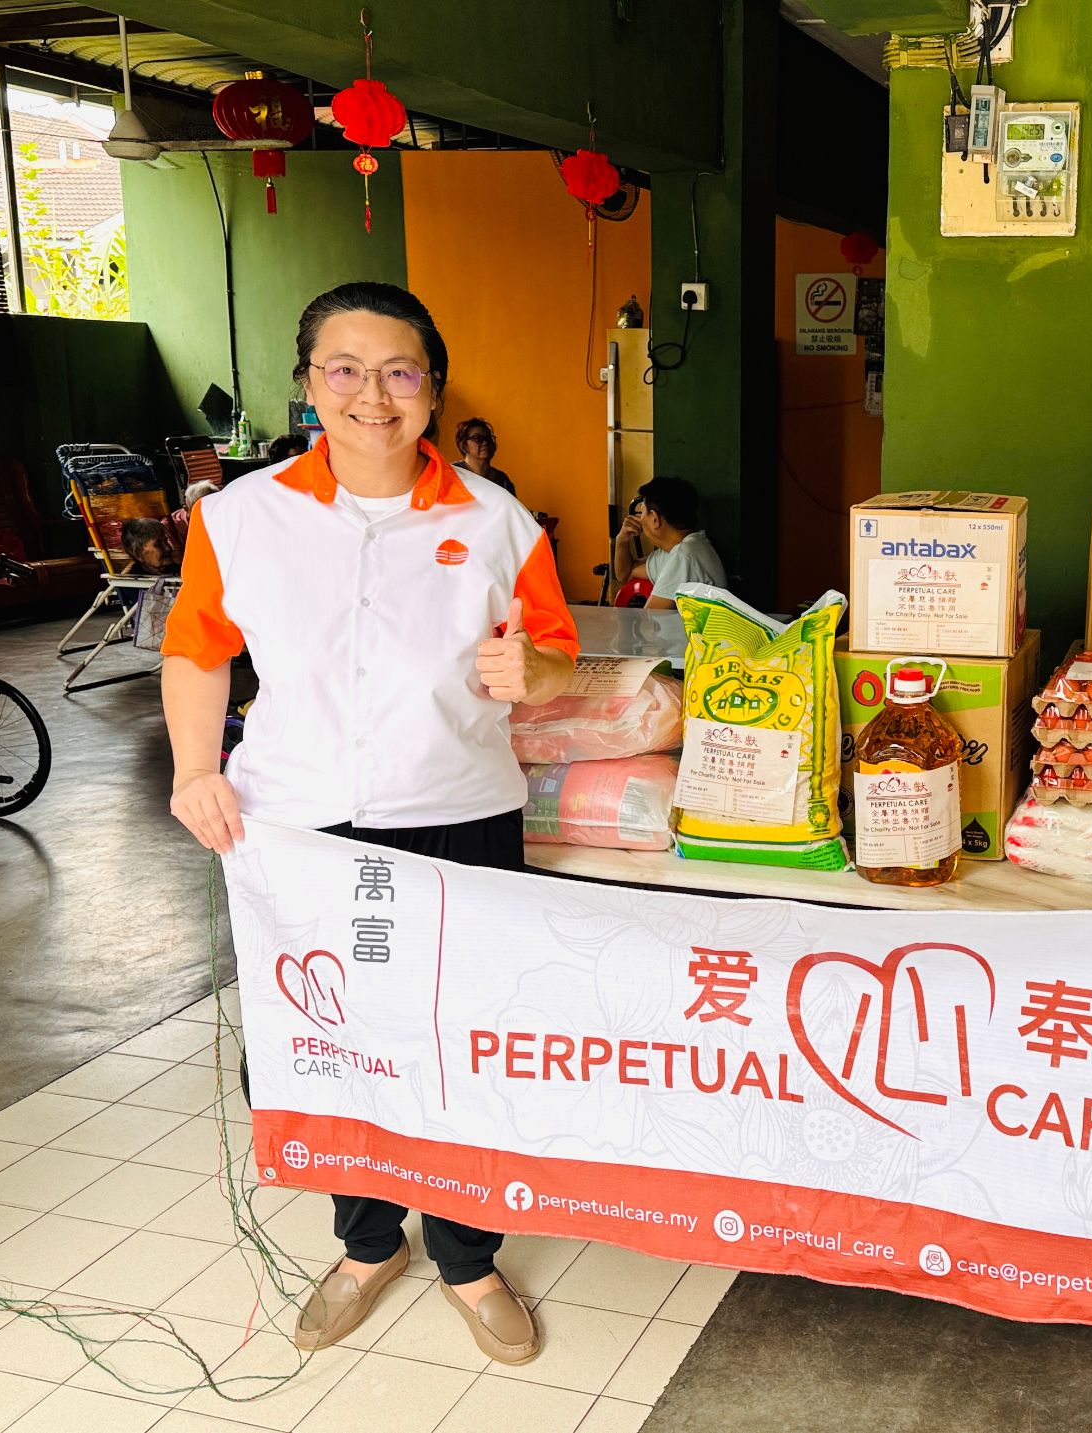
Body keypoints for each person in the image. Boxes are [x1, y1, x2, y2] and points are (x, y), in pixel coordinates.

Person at [159, 281, 580, 1368]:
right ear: (308, 385)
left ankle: (469, 1256)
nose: (372, 395)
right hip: (298, 831)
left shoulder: (496, 519)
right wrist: (194, 768)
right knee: (329, 1041)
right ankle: (367, 1244)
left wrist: (535, 671)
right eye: (343, 369)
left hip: (459, 817)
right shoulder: (239, 516)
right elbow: (197, 649)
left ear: (433, 388)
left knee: (458, 1039)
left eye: (399, 371)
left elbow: (553, 652)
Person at [610, 474, 725, 608]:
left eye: (643, 512)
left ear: (654, 519)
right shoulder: (680, 548)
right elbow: (625, 574)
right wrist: (622, 541)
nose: (640, 519)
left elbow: (650, 616)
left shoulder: (684, 556)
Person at [454, 416, 517, 496]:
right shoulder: (453, 474)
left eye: (488, 438)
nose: (485, 443)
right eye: (477, 438)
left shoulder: (502, 480)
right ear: (463, 445)